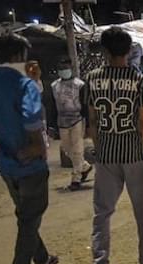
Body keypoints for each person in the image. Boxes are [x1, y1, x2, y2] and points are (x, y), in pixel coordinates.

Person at [86, 26, 143, 264]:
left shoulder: (92, 78)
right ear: (130, 50)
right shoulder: (138, 78)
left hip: (107, 156)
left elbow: (93, 121)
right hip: (135, 155)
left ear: (105, 50)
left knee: (102, 212)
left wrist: (100, 149)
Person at [0, 33, 58, 264]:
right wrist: (38, 146)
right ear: (17, 57)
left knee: (26, 214)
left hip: (6, 162)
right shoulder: (24, 84)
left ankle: (43, 258)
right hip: (30, 164)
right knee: (28, 219)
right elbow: (31, 118)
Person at [50, 57, 92, 190]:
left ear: (71, 69)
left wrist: (89, 124)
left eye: (66, 68)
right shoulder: (54, 86)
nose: (64, 71)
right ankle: (85, 166)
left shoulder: (79, 85)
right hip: (62, 121)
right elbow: (52, 105)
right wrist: (52, 125)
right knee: (67, 149)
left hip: (77, 119)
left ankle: (76, 178)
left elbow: (85, 105)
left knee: (78, 149)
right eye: (61, 69)